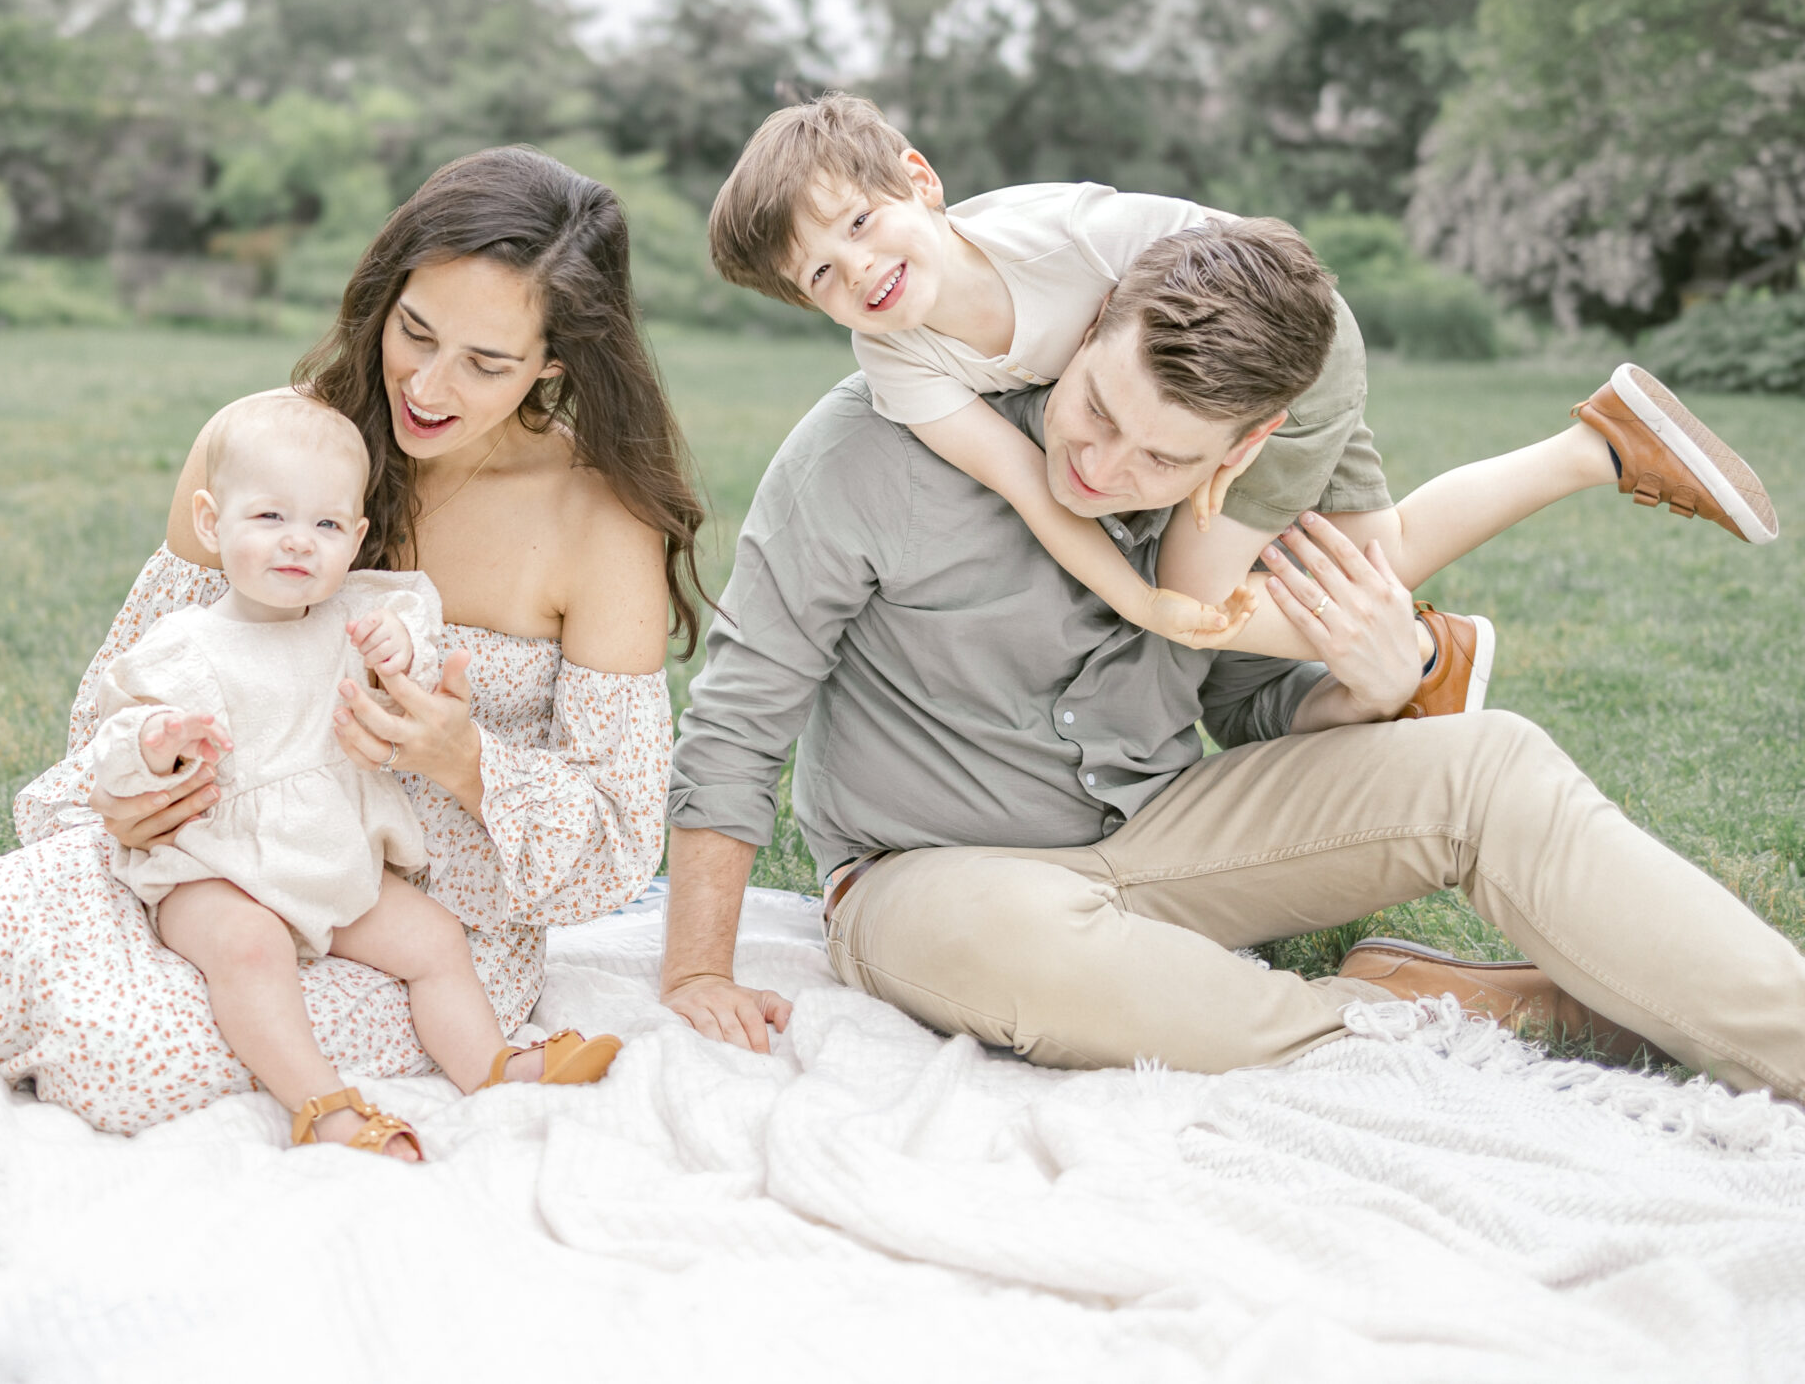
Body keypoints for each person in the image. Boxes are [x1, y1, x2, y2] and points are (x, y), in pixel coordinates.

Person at [662, 219, 1805, 1101]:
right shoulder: (863, 450)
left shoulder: (1234, 499)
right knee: (1003, 939)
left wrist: (1369, 684)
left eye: (1163, 457)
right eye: (1096, 409)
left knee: (1490, 762)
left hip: (1166, 837)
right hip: (927, 878)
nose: (1103, 467)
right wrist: (700, 970)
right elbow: (740, 710)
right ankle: (1420, 1017)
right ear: (1095, 324)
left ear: (1243, 450)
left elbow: (1252, 705)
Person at [0, 147, 700, 1136]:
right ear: (381, 299)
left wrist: (465, 761)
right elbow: (112, 710)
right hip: (213, 861)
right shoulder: (273, 455)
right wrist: (135, 798)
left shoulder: (597, 523)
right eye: (413, 332)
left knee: (120, 1057)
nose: (427, 383)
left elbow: (619, 844)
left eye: (486, 362)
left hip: (415, 932)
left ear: (555, 360)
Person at [704, 94, 1781, 714]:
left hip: (1283, 351)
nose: (855, 274)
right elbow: (1037, 493)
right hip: (1228, 393)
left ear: (918, 179)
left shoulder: (1069, 231)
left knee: (1205, 596)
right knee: (1376, 549)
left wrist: (1221, 462)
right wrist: (1135, 607)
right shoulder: (897, 361)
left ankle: (1410, 656)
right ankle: (1598, 448)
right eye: (818, 278)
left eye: (855, 225)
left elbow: (1263, 274)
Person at [92, 395, 620, 1161]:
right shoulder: (187, 644)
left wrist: (399, 648)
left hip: (330, 858)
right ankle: (323, 1105)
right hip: (215, 866)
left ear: (358, 537)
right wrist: (156, 740)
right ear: (212, 523)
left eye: (327, 526)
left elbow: (421, 639)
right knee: (249, 948)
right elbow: (114, 744)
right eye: (269, 518)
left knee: (436, 937)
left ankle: (490, 1066)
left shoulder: (358, 615)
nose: (299, 543)